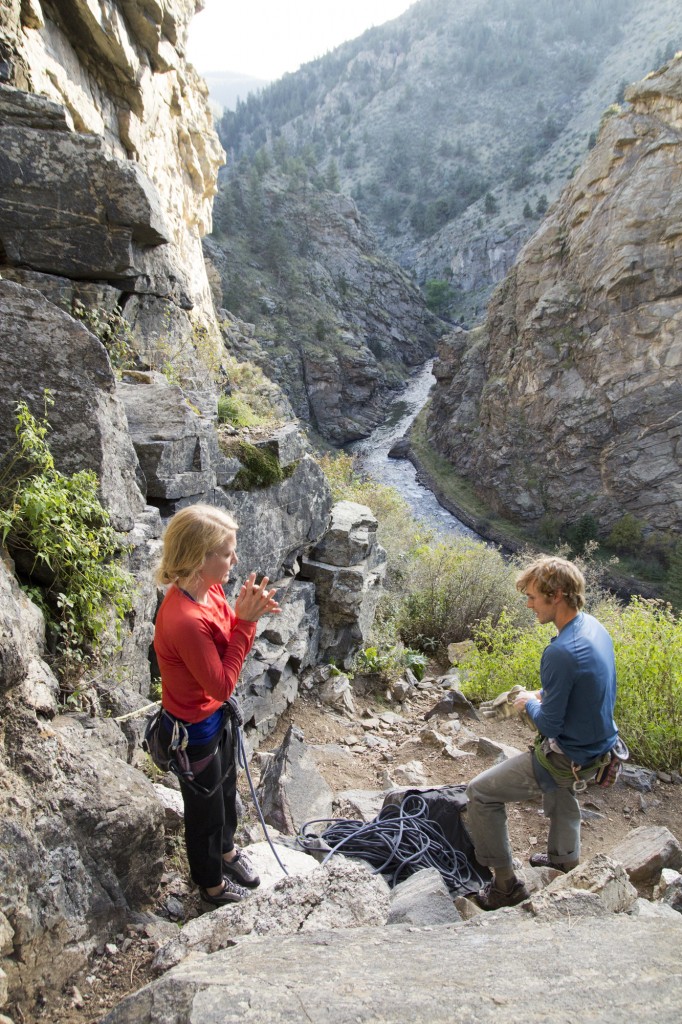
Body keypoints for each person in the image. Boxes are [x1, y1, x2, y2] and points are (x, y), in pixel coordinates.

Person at [465, 555, 619, 910]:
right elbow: (583, 688)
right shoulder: (593, 628)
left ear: (558, 595)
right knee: (562, 787)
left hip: (569, 756)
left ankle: (505, 886)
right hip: (599, 749)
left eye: (534, 596)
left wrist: (526, 702)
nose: (529, 604)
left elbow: (548, 725)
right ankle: (564, 859)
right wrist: (541, 695)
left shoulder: (561, 652)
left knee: (481, 793)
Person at [153, 503, 281, 907]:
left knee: (225, 792)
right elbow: (224, 682)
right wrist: (246, 623)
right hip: (195, 731)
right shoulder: (184, 618)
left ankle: (227, 854)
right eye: (227, 552)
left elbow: (224, 641)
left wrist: (242, 615)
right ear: (199, 557)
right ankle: (212, 889)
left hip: (214, 720)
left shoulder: (207, 591)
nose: (235, 559)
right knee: (204, 813)